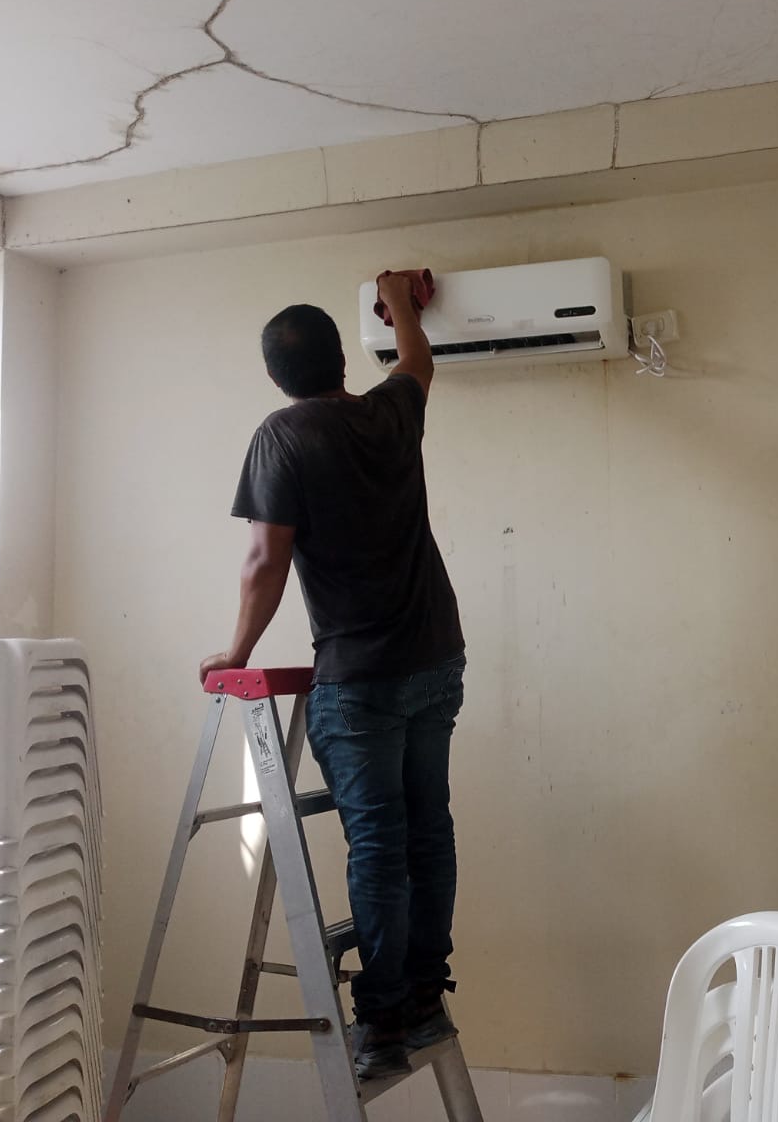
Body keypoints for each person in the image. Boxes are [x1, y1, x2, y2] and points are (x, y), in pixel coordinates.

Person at [200, 269, 466, 1080]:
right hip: (436, 655)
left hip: (360, 674)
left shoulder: (283, 435)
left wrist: (235, 654)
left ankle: (382, 1019)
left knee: (380, 843)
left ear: (276, 375)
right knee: (428, 828)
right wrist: (400, 304)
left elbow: (265, 559)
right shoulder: (390, 411)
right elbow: (417, 362)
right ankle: (424, 992)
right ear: (342, 358)